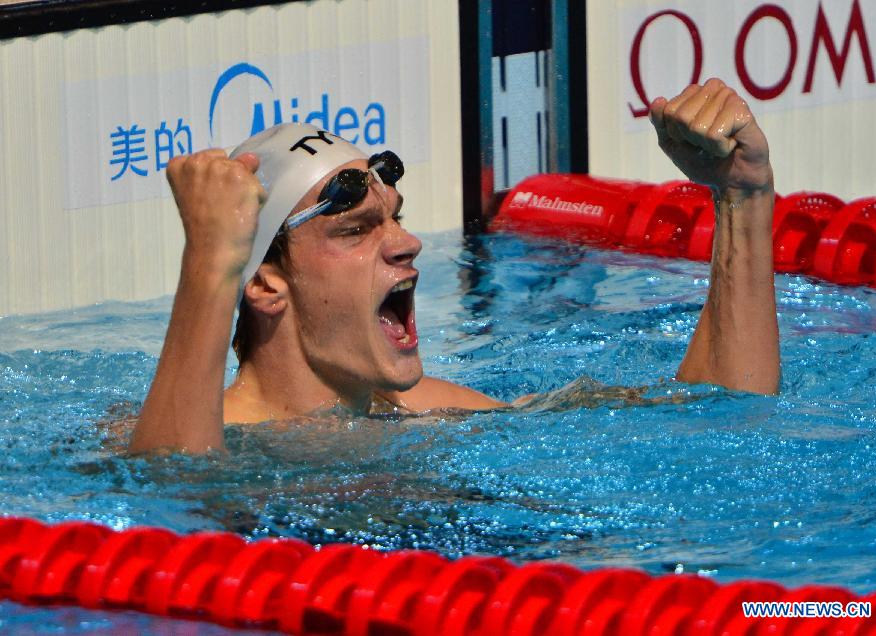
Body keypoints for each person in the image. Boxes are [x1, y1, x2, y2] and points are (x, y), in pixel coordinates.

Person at [128, 79, 780, 454]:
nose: (407, 243)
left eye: (397, 216)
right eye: (357, 228)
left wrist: (742, 200)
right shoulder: (196, 435)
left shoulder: (425, 412)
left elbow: (718, 419)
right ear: (265, 283)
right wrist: (211, 261)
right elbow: (170, 506)